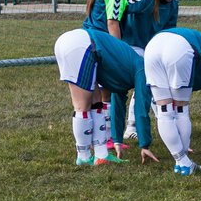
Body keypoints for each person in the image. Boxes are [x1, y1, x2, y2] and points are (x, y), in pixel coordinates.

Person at [52, 27, 152, 166]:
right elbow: (141, 108)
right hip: (82, 45)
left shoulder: (131, 66)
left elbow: (118, 103)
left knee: (96, 103)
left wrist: (117, 140)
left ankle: (101, 154)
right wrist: (144, 144)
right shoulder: (142, 67)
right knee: (82, 105)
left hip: (78, 43)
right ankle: (84, 156)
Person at [142, 27, 201, 175]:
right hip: (179, 48)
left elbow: (146, 97)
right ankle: (184, 162)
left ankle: (181, 161)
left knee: (164, 111)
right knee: (180, 111)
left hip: (153, 46)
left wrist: (143, 141)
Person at [120, 0, 181, 142]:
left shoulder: (173, 4)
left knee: (158, 82)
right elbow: (119, 4)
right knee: (147, 81)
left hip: (152, 49)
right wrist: (117, 32)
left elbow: (170, 31)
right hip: (132, 45)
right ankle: (132, 126)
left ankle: (166, 121)